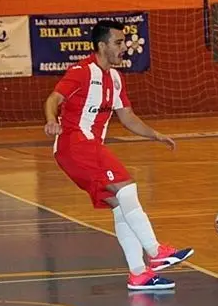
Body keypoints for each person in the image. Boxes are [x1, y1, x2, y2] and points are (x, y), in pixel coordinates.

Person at [43, 20, 194, 291]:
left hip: (85, 149)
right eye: (118, 42)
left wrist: (155, 135)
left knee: (121, 205)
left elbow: (127, 116)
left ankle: (139, 274)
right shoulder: (81, 72)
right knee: (127, 187)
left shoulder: (115, 78)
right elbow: (53, 99)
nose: (124, 47)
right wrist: (51, 120)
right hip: (74, 143)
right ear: (102, 46)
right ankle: (156, 251)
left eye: (124, 42)